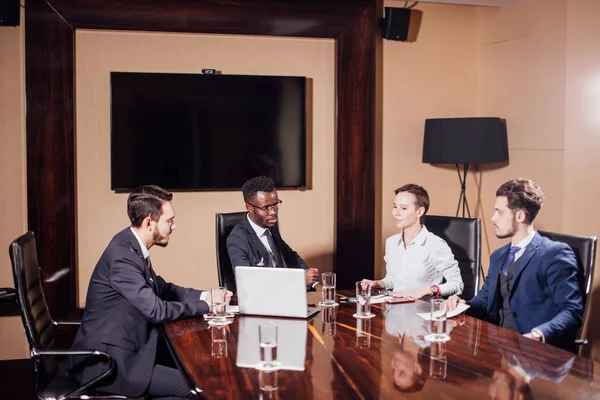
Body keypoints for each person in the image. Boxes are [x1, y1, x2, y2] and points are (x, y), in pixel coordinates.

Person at [70, 185, 231, 399]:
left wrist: (205, 295)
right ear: (149, 222)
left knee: (198, 369)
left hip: (133, 347)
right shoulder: (123, 257)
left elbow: (162, 288)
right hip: (111, 363)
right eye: (169, 220)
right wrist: (209, 307)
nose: (174, 226)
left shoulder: (130, 244)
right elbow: (156, 310)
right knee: (196, 389)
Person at [447, 178, 583, 352]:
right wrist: (461, 305)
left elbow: (572, 310)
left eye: (499, 212)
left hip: (536, 354)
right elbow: (484, 300)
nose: (493, 218)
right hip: (496, 349)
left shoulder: (555, 253)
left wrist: (538, 334)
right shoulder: (498, 255)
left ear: (520, 216)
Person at [361, 184, 463, 299]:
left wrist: (425, 291)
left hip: (424, 311)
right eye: (395, 207)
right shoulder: (391, 243)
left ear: (419, 212)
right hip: (395, 309)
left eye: (403, 208)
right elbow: (394, 280)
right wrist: (378, 283)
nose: (396, 213)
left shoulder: (435, 245)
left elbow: (457, 284)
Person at [226, 176, 320, 291]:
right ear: (249, 207)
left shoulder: (269, 226)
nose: (273, 212)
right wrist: (298, 280)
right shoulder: (237, 239)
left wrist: (315, 285)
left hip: (285, 295)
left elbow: (291, 258)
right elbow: (248, 284)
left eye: (275, 205)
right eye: (266, 208)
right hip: (259, 303)